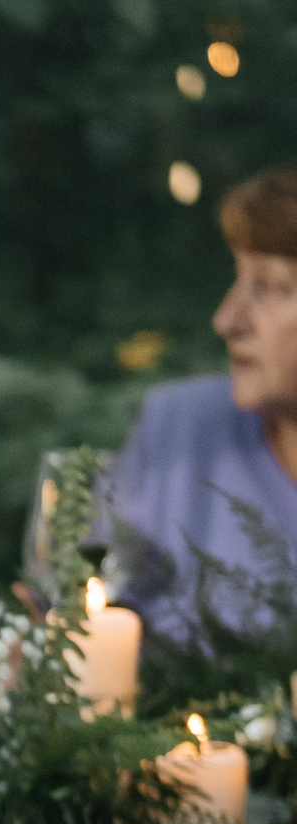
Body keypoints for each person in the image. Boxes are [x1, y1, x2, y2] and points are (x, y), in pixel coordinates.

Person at [107, 164, 297, 654]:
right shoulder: (177, 430)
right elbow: (77, 618)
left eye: (272, 287)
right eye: (238, 280)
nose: (227, 319)